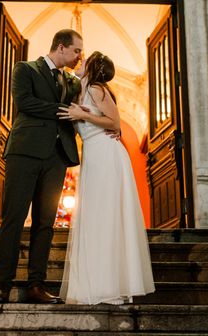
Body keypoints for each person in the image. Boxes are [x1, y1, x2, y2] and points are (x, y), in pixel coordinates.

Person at [0, 29, 83, 304]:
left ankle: (36, 286)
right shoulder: (25, 69)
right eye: (77, 50)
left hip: (57, 156)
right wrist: (62, 110)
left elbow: (81, 106)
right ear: (62, 47)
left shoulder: (72, 80)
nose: (80, 56)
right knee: (13, 219)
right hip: (25, 152)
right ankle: (3, 285)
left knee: (45, 224)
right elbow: (24, 103)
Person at [57, 51, 155, 305]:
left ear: (93, 69)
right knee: (94, 216)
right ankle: (93, 284)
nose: (80, 63)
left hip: (108, 154)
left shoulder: (98, 89)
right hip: (94, 155)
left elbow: (114, 123)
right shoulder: (80, 90)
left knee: (106, 215)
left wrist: (83, 115)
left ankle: (111, 285)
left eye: (85, 61)